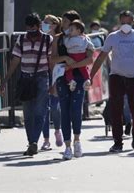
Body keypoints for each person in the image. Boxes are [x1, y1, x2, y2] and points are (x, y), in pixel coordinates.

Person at [90, 10, 134, 153]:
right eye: (123, 22)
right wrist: (91, 75)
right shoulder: (112, 37)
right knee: (115, 110)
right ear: (119, 22)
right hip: (116, 77)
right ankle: (117, 142)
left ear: (133, 22)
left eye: (128, 22)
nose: (126, 25)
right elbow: (101, 57)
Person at [1, 13, 52, 156]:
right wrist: (5, 80)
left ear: (38, 26)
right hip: (25, 79)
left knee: (40, 111)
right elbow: (15, 61)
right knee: (28, 113)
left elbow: (51, 61)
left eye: (33, 27)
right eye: (28, 28)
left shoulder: (48, 39)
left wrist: (54, 81)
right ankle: (32, 143)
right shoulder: (22, 39)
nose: (30, 30)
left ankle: (34, 141)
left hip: (42, 77)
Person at [51, 10, 94, 160]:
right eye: (62, 22)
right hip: (63, 77)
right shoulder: (58, 39)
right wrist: (65, 59)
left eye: (66, 22)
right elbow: (53, 59)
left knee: (76, 108)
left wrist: (73, 65)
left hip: (79, 76)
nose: (63, 25)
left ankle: (77, 141)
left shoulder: (84, 39)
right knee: (64, 109)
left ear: (75, 24)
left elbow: (90, 60)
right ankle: (67, 145)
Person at [41, 14, 63, 150]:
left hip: (57, 75)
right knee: (44, 108)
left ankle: (57, 130)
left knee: (55, 106)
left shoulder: (60, 39)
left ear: (54, 24)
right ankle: (46, 139)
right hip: (43, 75)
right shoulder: (42, 39)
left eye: (47, 22)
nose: (44, 24)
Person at [63, 20, 94, 91]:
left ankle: (71, 81)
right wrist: (91, 49)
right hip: (82, 56)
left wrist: (66, 38)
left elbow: (67, 45)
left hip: (72, 56)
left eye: (71, 30)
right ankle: (87, 79)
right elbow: (91, 45)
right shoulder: (85, 38)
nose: (69, 31)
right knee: (83, 68)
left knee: (68, 69)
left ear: (78, 31)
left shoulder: (71, 39)